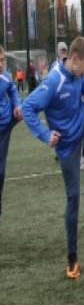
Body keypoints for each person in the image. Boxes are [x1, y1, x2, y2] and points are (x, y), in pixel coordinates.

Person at [21, 37, 84, 279]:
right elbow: (27, 107)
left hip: (82, 123)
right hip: (67, 147)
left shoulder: (78, 73)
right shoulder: (53, 81)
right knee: (73, 197)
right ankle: (72, 258)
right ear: (73, 59)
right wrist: (45, 135)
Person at [0, 45, 22, 218]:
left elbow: (13, 92)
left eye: (2, 60)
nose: (1, 64)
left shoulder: (5, 77)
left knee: (1, 172)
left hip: (5, 126)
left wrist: (17, 105)